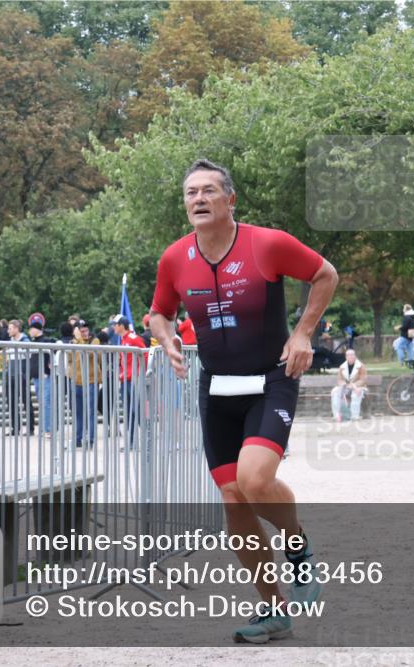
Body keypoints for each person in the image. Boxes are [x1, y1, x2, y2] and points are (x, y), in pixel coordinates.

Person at [148, 159, 338, 644]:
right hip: (217, 389)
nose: (199, 199)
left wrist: (303, 333)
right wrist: (167, 338)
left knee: (255, 480)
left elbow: (325, 274)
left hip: (272, 378)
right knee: (234, 499)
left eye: (209, 190)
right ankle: (274, 610)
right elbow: (159, 313)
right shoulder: (175, 258)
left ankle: (298, 549)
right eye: (191, 192)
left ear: (230, 200)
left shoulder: (266, 244)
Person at [111, 314, 148, 450]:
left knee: (137, 411)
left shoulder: (133, 338)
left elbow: (145, 354)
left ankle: (146, 441)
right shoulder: (124, 339)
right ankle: (132, 443)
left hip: (133, 380)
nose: (113, 327)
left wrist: (140, 372)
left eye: (115, 325)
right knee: (129, 413)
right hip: (125, 380)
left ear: (122, 326)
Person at [66, 319, 102, 448]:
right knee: (77, 412)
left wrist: (79, 339)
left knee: (91, 411)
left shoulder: (94, 341)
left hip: (91, 381)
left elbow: (90, 354)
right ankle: (78, 438)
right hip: (76, 381)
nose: (85, 333)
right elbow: (70, 359)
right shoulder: (73, 342)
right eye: (82, 331)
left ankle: (90, 440)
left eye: (86, 330)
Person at [4, 319, 34, 436]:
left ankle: (30, 428)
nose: (8, 331)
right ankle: (15, 428)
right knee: (11, 402)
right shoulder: (10, 341)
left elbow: (29, 356)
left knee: (26, 401)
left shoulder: (25, 341)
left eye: (10, 328)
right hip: (10, 375)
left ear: (17, 329)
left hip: (22, 375)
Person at [27, 313, 55, 437]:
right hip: (36, 377)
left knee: (46, 403)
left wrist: (48, 368)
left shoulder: (46, 340)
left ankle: (48, 429)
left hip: (44, 376)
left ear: (36, 329)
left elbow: (53, 351)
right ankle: (44, 428)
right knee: (42, 403)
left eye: (31, 329)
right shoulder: (34, 341)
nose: (29, 332)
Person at [330, 348, 367, 422]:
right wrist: (343, 384)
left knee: (356, 394)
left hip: (359, 387)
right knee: (335, 392)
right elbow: (339, 379)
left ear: (355, 356)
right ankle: (336, 415)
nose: (350, 356)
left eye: (352, 355)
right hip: (346, 387)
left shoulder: (361, 366)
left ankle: (355, 416)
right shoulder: (342, 367)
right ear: (346, 357)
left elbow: (363, 380)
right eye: (348, 355)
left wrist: (354, 385)